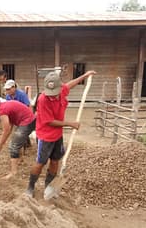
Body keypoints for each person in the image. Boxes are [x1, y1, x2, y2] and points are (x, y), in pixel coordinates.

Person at [25, 70, 96, 198]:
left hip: (57, 135)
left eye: (54, 93)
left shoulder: (62, 89)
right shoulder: (43, 99)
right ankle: (30, 187)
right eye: (50, 93)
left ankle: (48, 186)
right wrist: (70, 123)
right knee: (40, 162)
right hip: (45, 136)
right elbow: (50, 121)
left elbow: (70, 85)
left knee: (55, 161)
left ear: (59, 87)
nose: (52, 96)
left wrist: (84, 76)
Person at [0, 95, 36, 179]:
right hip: (29, 119)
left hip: (27, 121)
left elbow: (6, 130)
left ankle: (13, 172)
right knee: (17, 139)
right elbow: (10, 126)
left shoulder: (2, 110)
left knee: (13, 145)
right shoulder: (4, 106)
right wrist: (4, 139)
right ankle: (20, 159)